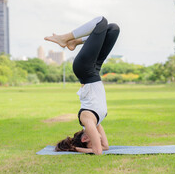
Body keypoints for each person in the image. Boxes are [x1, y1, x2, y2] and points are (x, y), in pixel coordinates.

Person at [44, 16, 120, 155]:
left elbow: (98, 151)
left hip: (84, 69)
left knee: (101, 21)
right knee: (113, 29)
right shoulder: (96, 122)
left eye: (92, 139)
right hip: (94, 69)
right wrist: (87, 147)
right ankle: (74, 41)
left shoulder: (86, 119)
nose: (99, 138)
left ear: (85, 138)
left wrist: (75, 149)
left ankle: (65, 38)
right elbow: (105, 147)